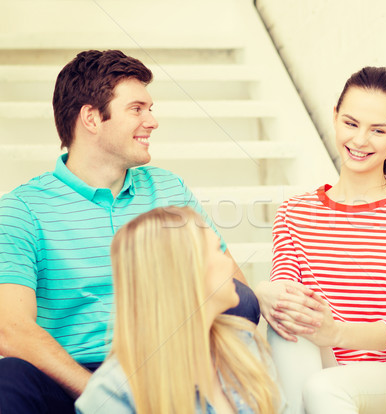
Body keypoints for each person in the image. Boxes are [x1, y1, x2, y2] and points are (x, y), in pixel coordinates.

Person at [0, 49, 259, 414]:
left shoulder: (169, 189)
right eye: (137, 109)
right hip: (72, 377)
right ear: (91, 117)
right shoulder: (22, 208)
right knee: (9, 377)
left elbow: (232, 285)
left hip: (167, 369)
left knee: (244, 302)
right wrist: (101, 395)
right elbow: (11, 328)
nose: (152, 121)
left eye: (150, 109)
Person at [255, 67, 386, 414]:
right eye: (351, 123)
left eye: (378, 130)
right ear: (335, 118)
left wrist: (335, 332)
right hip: (317, 367)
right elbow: (288, 297)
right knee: (285, 320)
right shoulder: (294, 213)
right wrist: (263, 292)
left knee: (324, 386)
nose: (360, 140)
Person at [75, 206, 286, 414]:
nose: (229, 263)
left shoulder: (246, 345)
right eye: (216, 250)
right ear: (186, 271)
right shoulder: (111, 393)